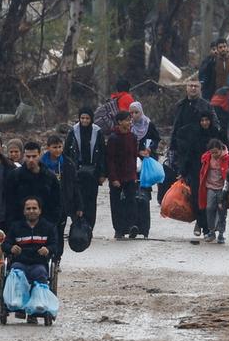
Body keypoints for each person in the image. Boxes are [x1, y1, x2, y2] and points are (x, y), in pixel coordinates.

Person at [181, 112, 227, 237]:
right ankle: (202, 224)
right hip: (198, 172)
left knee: (213, 202)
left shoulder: (217, 134)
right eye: (202, 120)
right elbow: (189, 154)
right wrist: (183, 172)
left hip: (214, 173)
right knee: (198, 199)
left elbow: (226, 152)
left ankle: (210, 228)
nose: (205, 123)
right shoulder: (195, 135)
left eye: (207, 120)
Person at [4, 142, 62, 236]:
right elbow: (9, 203)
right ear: (24, 156)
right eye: (28, 156)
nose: (31, 160)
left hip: (45, 227)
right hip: (20, 227)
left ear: (40, 155)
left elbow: (57, 203)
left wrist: (51, 224)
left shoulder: (50, 177)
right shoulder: (14, 177)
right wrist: (13, 226)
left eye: (34, 156)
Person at [41, 134, 83, 260]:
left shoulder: (68, 163)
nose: (58, 150)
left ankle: (57, 258)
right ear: (48, 148)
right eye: (54, 147)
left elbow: (75, 186)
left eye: (60, 147)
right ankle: (45, 258)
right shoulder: (41, 164)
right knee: (45, 232)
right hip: (44, 205)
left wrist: (79, 205)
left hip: (62, 205)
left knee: (59, 233)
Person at [3, 196, 58, 291]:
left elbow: (55, 245)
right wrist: (11, 248)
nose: (31, 211)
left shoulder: (48, 227)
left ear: (40, 210)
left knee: (40, 273)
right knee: (16, 272)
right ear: (24, 211)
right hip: (20, 262)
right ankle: (17, 301)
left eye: (34, 208)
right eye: (28, 209)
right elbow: (5, 245)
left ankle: (39, 302)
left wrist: (48, 249)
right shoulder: (15, 227)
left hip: (39, 263)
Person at [64, 107, 107, 229]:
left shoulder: (97, 132)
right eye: (82, 118)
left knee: (90, 200)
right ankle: (77, 224)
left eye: (87, 118)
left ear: (91, 119)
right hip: (76, 171)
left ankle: (89, 226)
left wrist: (103, 173)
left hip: (93, 172)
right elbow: (66, 152)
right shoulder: (73, 132)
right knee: (77, 198)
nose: (84, 121)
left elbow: (103, 153)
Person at [129, 101, 161, 238]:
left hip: (145, 165)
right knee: (132, 195)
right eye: (131, 113)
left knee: (144, 196)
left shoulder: (149, 125)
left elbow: (156, 139)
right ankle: (133, 226)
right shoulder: (128, 126)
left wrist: (149, 149)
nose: (134, 115)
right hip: (131, 165)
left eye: (136, 112)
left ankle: (144, 228)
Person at [106, 111, 139, 239]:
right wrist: (113, 178)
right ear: (119, 122)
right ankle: (119, 229)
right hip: (117, 176)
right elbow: (110, 159)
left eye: (130, 120)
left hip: (130, 175)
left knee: (131, 201)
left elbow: (134, 156)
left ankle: (131, 226)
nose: (129, 122)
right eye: (126, 120)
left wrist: (134, 175)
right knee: (116, 203)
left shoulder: (133, 137)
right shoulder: (114, 138)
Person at [198, 139, 229, 244]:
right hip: (210, 187)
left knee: (222, 212)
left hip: (222, 188)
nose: (214, 155)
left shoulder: (227, 159)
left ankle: (221, 233)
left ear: (221, 150)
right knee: (209, 208)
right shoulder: (206, 158)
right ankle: (211, 231)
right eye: (212, 152)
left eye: (216, 152)